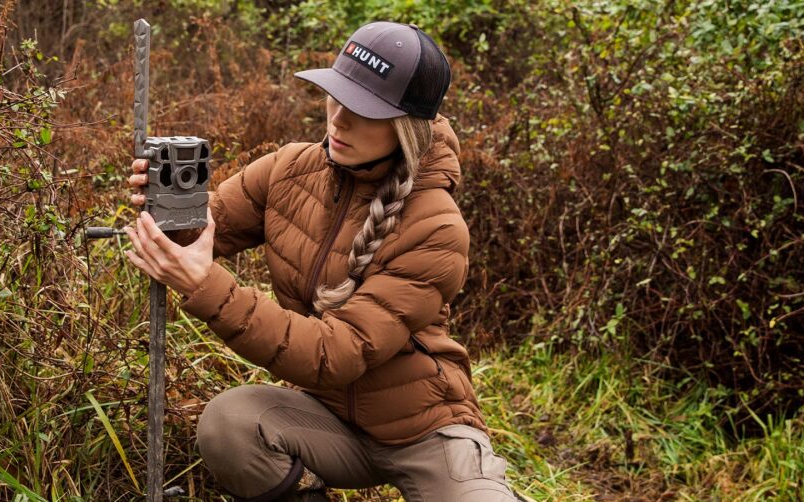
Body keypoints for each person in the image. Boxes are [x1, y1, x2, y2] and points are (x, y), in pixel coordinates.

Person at [121, 21, 516, 502]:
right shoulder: (289, 170)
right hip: (327, 419)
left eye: (364, 111)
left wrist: (207, 286)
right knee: (231, 425)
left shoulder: (436, 227)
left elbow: (337, 354)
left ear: (405, 128)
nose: (338, 121)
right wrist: (168, 202)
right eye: (336, 96)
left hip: (424, 429)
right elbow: (202, 231)